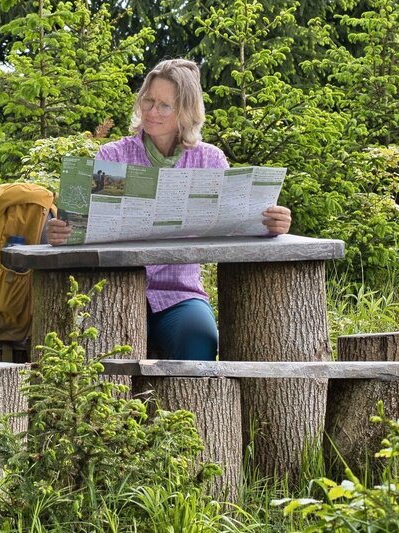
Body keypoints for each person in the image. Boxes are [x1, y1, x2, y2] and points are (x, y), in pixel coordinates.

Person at [45, 58, 292, 361]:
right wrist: (61, 232)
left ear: (186, 112)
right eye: (148, 100)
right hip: (114, 290)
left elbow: (235, 223)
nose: (151, 111)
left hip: (180, 293)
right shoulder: (113, 155)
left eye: (164, 105)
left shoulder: (209, 160)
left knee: (201, 341)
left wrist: (271, 224)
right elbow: (81, 223)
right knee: (100, 348)